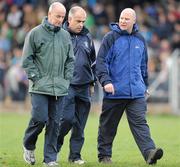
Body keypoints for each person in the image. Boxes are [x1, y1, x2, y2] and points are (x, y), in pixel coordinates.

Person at [96, 8, 163, 165]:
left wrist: (144, 85)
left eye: (127, 19)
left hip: (137, 93)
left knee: (140, 124)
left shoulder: (140, 39)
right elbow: (101, 62)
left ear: (134, 21)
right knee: (108, 126)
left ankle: (149, 153)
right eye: (121, 18)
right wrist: (106, 82)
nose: (123, 21)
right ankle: (104, 156)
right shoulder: (110, 38)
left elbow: (143, 66)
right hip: (115, 91)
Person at [22, 2, 74, 166]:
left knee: (54, 124)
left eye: (63, 17)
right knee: (39, 118)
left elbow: (70, 61)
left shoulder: (65, 36)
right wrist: (35, 78)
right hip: (39, 87)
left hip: (60, 88)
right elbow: (27, 60)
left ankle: (50, 159)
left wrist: (66, 79)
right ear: (49, 14)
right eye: (58, 16)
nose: (60, 20)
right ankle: (28, 145)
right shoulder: (35, 33)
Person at [56, 6, 96, 165]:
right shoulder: (60, 35)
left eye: (83, 21)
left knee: (80, 124)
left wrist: (92, 82)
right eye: (78, 21)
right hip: (67, 85)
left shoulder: (87, 37)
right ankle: (55, 148)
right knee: (66, 119)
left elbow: (93, 61)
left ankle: (75, 156)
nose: (81, 24)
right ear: (69, 19)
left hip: (84, 86)